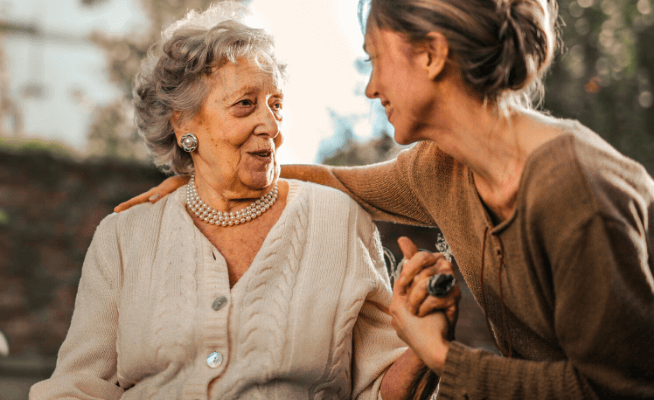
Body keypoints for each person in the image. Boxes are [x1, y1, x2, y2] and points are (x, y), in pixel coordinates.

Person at [115, 0, 654, 398]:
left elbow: (619, 388)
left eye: (375, 59)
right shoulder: (442, 168)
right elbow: (338, 181)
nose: (371, 88)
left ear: (432, 55)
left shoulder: (575, 190)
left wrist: (439, 354)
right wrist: (208, 177)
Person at [31, 3, 459, 399]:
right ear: (183, 126)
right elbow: (78, 387)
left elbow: (379, 388)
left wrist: (424, 348)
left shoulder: (339, 222)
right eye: (245, 105)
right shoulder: (124, 237)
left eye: (276, 105)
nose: (270, 125)